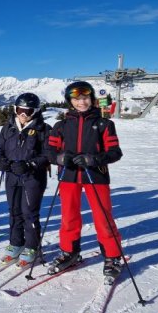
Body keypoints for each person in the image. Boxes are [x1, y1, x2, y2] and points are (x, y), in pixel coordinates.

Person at [46, 81, 124, 279]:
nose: (81, 102)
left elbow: (115, 152)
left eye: (85, 98)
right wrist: (60, 158)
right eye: (76, 99)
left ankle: (112, 256)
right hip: (69, 176)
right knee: (69, 216)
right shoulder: (61, 126)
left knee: (103, 217)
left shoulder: (104, 124)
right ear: (70, 101)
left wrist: (93, 159)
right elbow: (49, 151)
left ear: (92, 99)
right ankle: (69, 251)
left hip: (95, 176)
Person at [0, 93, 51, 265]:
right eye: (20, 110)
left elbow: (48, 155)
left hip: (32, 177)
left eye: (28, 110)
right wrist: (0, 161)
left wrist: (30, 164)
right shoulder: (8, 127)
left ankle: (32, 246)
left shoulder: (44, 129)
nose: (23, 114)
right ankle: (16, 243)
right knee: (14, 211)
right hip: (11, 175)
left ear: (35, 111)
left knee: (29, 213)